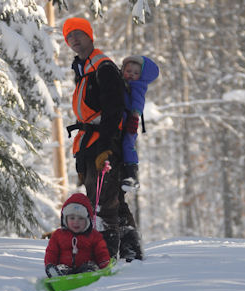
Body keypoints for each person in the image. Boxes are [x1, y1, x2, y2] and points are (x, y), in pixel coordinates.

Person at [62, 17, 130, 258]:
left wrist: (106, 147)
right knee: (109, 199)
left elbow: (114, 110)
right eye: (69, 37)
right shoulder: (83, 70)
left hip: (104, 142)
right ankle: (130, 252)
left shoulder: (103, 67)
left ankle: (106, 256)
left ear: (90, 36)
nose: (74, 40)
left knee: (101, 203)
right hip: (89, 142)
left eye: (78, 34)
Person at [44, 193, 110, 277]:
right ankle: (56, 273)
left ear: (88, 220)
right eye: (72, 218)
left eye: (81, 218)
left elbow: (101, 251)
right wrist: (50, 264)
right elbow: (51, 252)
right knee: (61, 268)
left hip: (85, 266)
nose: (76, 222)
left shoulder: (94, 236)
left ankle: (89, 274)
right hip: (65, 267)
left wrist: (104, 262)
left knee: (90, 266)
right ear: (65, 219)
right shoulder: (58, 235)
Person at [119, 55, 159, 192]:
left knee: (127, 145)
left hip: (130, 123)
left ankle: (132, 175)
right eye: (128, 71)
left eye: (135, 73)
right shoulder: (123, 84)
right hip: (122, 121)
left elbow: (138, 103)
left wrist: (135, 117)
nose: (131, 75)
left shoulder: (138, 86)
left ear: (141, 76)